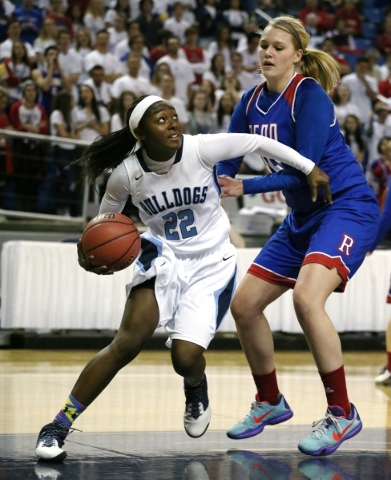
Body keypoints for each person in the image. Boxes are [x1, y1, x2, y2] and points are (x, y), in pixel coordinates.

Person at [34, 94, 331, 462]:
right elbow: (106, 226)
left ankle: (195, 385)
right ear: (140, 133)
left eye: (175, 116)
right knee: (127, 342)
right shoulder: (125, 175)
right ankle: (58, 425)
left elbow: (258, 142)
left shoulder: (201, 149)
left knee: (185, 357)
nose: (173, 123)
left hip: (212, 261)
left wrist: (308, 167)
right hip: (164, 256)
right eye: (162, 120)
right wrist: (91, 253)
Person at [216, 15, 380, 457]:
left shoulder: (307, 95)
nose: (267, 52)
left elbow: (307, 170)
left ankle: (342, 412)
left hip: (345, 207)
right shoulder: (250, 102)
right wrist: (208, 182)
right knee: (244, 305)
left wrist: (243, 187)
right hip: (302, 218)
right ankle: (269, 401)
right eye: (263, 45)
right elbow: (224, 160)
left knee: (307, 299)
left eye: (277, 47)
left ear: (297, 56)